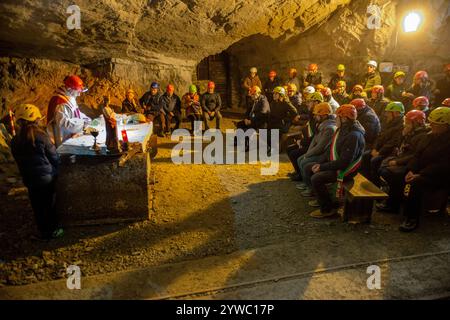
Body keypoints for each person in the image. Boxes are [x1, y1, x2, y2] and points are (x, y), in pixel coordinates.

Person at [11, 104, 63, 240]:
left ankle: (43, 232)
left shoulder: (15, 141)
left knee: (37, 206)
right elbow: (54, 157)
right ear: (36, 120)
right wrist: (57, 171)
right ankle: (54, 230)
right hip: (46, 179)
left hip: (30, 179)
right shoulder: (42, 137)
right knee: (49, 204)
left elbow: (19, 161)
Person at [303, 104, 365, 218]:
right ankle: (322, 198)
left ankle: (328, 209)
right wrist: (320, 163)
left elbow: (344, 162)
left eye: (338, 117)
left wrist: (322, 167)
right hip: (337, 163)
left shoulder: (354, 135)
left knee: (317, 178)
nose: (335, 118)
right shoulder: (342, 130)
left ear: (344, 118)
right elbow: (329, 151)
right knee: (308, 167)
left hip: (347, 169)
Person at [399, 107, 450, 231]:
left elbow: (443, 165)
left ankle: (412, 218)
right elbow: (417, 155)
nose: (430, 124)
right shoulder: (430, 135)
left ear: (446, 126)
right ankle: (395, 205)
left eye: (435, 123)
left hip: (440, 176)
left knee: (416, 184)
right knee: (400, 173)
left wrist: (420, 174)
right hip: (423, 171)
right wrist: (411, 169)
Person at [376, 110, 429, 213]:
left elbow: (414, 155)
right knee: (383, 168)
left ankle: (394, 204)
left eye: (408, 122)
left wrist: (397, 162)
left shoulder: (422, 136)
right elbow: (401, 147)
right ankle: (392, 200)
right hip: (403, 160)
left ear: (416, 123)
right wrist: (404, 135)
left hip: (411, 165)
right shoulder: (411, 132)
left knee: (390, 173)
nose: (406, 124)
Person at [295, 102, 337, 195]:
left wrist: (307, 155)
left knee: (304, 162)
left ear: (324, 116)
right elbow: (314, 140)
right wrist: (308, 153)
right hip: (320, 153)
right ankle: (307, 184)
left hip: (324, 155)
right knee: (300, 159)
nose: (315, 117)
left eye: (317, 115)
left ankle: (311, 189)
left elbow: (321, 147)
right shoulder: (322, 124)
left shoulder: (330, 128)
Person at [360, 101, 405, 186]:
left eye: (388, 112)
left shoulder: (401, 125)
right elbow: (379, 136)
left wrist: (379, 152)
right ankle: (366, 180)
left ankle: (375, 185)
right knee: (365, 155)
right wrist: (374, 148)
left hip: (389, 152)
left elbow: (393, 143)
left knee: (375, 160)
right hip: (380, 149)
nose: (386, 114)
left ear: (396, 113)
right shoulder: (388, 122)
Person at [46, 75, 91, 147]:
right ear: (70, 89)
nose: (79, 94)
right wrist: (83, 125)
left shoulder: (69, 96)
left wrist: (87, 119)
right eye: (78, 91)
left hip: (69, 134)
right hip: (61, 138)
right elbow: (64, 123)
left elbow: (76, 112)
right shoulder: (60, 102)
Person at [235, 86, 270, 151]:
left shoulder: (264, 101)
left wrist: (251, 120)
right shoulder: (254, 100)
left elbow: (262, 113)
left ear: (258, 93)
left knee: (249, 129)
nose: (251, 96)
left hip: (261, 122)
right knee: (240, 124)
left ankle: (247, 146)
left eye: (253, 94)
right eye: (251, 94)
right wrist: (246, 118)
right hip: (252, 119)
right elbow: (248, 111)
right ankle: (238, 141)